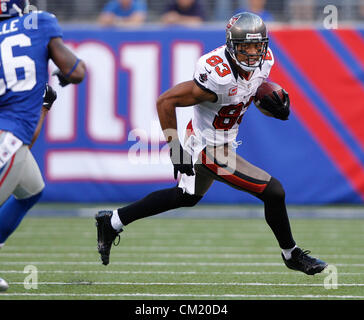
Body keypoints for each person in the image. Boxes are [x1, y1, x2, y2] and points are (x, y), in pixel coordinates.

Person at [95, 11, 328, 276]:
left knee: (185, 197)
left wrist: (271, 105)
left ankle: (112, 221)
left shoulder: (265, 62)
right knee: (273, 191)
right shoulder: (217, 75)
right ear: (231, 46)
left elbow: (246, 96)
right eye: (245, 46)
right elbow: (165, 101)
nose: (253, 52)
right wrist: (175, 149)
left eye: (257, 45)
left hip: (222, 140)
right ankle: (291, 254)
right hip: (207, 147)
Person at [0, 0, 86, 291]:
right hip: (7, 135)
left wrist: (42, 107)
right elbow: (77, 72)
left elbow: (24, 148)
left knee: (31, 189)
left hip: (11, 135)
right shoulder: (39, 23)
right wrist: (45, 101)